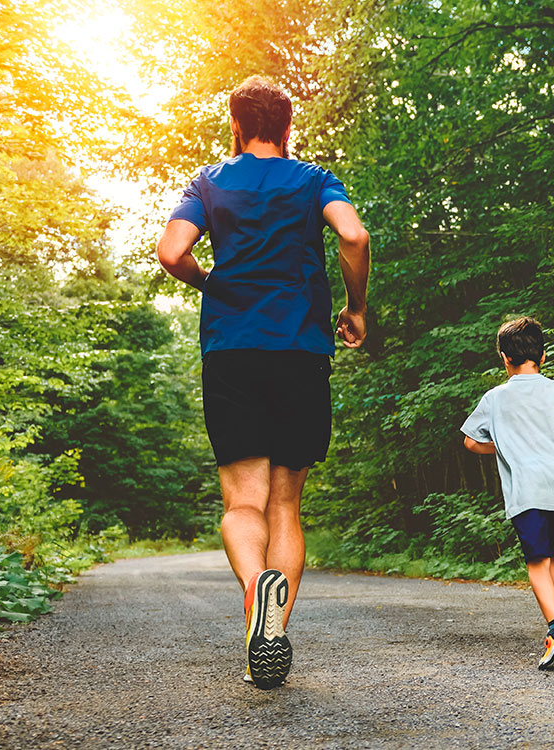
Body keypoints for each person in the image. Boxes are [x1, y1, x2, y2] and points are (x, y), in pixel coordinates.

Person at [155, 75, 372, 687]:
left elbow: (172, 252)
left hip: (231, 352)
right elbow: (353, 235)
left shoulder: (209, 183)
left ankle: (257, 591)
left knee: (241, 502)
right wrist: (356, 306)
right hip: (300, 351)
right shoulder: (313, 180)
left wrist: (212, 284)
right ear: (287, 128)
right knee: (285, 504)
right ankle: (272, 631)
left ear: (235, 125)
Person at [461, 317, 554, 670]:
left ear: (504, 358)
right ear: (544, 355)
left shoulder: (496, 397)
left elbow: (471, 441)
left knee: (535, 560)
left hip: (529, 485)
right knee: (552, 553)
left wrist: (504, 446)